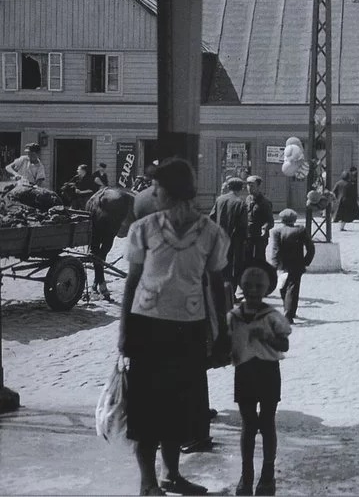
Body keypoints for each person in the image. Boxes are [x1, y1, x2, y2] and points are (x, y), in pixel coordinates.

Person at [117, 158, 229, 497]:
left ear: (173, 190)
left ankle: (171, 476)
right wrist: (124, 331)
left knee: (179, 407)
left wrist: (221, 333)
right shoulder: (143, 229)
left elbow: (217, 284)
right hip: (147, 328)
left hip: (189, 330)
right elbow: (131, 283)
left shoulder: (212, 233)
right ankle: (147, 483)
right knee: (146, 409)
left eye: (157, 186)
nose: (152, 191)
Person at [227, 260, 291, 497]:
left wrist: (267, 337)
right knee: (247, 424)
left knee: (267, 422)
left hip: (268, 371)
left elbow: (284, 343)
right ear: (242, 287)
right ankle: (246, 474)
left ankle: (267, 472)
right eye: (248, 285)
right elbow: (227, 344)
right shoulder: (234, 315)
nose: (253, 290)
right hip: (244, 371)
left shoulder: (272, 315)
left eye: (258, 286)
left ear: (266, 289)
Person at [269, 208, 315, 323]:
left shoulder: (277, 232)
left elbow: (275, 250)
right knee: (293, 289)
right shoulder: (300, 230)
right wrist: (305, 261)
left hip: (282, 265)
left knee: (283, 287)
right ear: (294, 219)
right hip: (297, 264)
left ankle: (287, 309)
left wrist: (274, 266)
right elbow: (311, 248)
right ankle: (289, 314)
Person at [211, 177, 249, 298]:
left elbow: (211, 217)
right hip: (235, 241)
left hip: (220, 239)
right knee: (234, 268)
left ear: (229, 187)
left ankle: (219, 293)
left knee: (221, 266)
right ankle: (230, 296)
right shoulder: (240, 203)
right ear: (241, 188)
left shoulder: (220, 199)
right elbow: (243, 226)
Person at [245, 175, 274, 261]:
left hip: (260, 236)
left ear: (258, 186)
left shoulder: (265, 202)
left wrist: (265, 228)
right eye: (248, 185)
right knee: (247, 258)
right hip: (249, 235)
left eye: (252, 185)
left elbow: (270, 221)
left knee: (260, 259)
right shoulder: (247, 199)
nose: (249, 188)